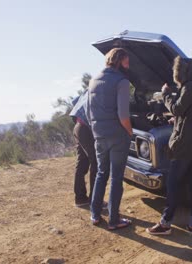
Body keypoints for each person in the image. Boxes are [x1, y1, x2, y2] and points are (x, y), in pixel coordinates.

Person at [146, 56, 192, 236]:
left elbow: (176, 109)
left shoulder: (189, 88)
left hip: (185, 146)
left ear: (180, 72)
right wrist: (181, 119)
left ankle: (165, 224)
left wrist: (166, 93)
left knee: (173, 184)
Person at [88, 48, 133, 230]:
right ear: (121, 60)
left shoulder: (93, 80)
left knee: (101, 173)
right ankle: (114, 220)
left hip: (99, 134)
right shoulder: (121, 82)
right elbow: (123, 115)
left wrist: (96, 131)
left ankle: (95, 214)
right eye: (127, 61)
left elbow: (89, 111)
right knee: (116, 178)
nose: (128, 65)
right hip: (117, 135)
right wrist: (129, 132)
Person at [69, 92, 99, 207]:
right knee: (96, 161)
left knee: (82, 162)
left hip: (78, 127)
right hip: (85, 129)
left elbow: (75, 101)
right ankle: (95, 200)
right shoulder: (97, 92)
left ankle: (80, 198)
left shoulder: (89, 91)